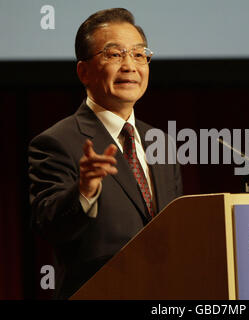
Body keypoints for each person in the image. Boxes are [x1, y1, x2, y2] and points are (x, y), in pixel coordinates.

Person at [28, 8, 183, 299]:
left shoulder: (160, 142)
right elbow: (48, 226)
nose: (129, 65)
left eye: (139, 55)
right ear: (83, 72)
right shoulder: (55, 142)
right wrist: (84, 191)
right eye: (114, 54)